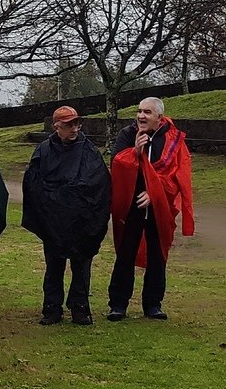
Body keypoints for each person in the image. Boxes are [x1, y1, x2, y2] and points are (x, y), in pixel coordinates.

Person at [108, 96, 195, 321]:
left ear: (159, 117)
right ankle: (118, 304)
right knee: (125, 253)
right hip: (132, 204)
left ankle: (153, 304)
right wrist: (135, 152)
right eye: (139, 111)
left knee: (158, 255)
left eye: (147, 112)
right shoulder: (127, 135)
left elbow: (178, 176)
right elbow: (116, 163)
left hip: (159, 206)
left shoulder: (173, 139)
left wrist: (154, 194)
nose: (140, 116)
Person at [22, 106, 111, 326]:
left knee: (81, 265)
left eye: (76, 124)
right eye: (69, 124)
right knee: (54, 265)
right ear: (57, 127)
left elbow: (100, 184)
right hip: (53, 221)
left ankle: (80, 307)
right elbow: (33, 185)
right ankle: (52, 308)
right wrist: (48, 211)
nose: (74, 128)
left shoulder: (89, 151)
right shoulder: (43, 151)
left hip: (82, 221)